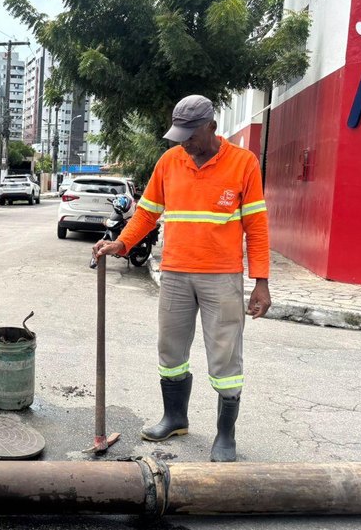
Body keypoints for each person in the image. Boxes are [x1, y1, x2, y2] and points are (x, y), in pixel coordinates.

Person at [93, 95, 271, 462]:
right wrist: (121, 243)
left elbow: (256, 226)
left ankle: (225, 434)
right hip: (174, 273)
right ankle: (175, 417)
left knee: (225, 358)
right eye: (180, 136)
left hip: (221, 277)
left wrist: (261, 281)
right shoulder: (170, 161)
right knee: (170, 349)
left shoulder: (244, 163)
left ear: (212, 127)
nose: (185, 143)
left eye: (191, 135)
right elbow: (147, 212)